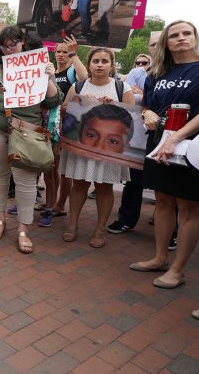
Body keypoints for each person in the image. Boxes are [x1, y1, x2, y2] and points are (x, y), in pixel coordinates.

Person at [128, 21, 199, 304]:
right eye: (174, 35)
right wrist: (146, 113)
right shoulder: (157, 73)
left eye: (187, 33)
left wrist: (176, 139)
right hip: (160, 143)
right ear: (166, 42)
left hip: (193, 147)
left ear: (195, 37)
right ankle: (160, 258)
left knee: (189, 207)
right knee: (162, 201)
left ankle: (178, 269)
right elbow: (148, 105)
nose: (181, 38)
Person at [0, 26, 61, 255]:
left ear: (23, 43)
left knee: (25, 180)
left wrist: (48, 76)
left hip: (27, 131)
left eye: (13, 44)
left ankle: (23, 229)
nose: (9, 49)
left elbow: (53, 101)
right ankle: (0, 218)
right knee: (0, 174)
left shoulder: (37, 64)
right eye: (4, 45)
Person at [59, 48, 134, 248]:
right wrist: (81, 103)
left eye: (104, 61)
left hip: (108, 148)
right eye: (96, 61)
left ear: (112, 65)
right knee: (79, 185)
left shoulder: (122, 88)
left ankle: (100, 229)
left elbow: (132, 117)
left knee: (104, 187)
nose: (100, 65)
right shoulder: (79, 85)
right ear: (89, 64)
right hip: (81, 144)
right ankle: (72, 225)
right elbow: (64, 108)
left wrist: (117, 105)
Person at [107, 35, 159, 236]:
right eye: (152, 44)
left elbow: (143, 97)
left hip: (169, 134)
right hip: (139, 132)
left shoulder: (176, 71)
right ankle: (127, 218)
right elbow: (131, 97)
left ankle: (169, 227)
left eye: (159, 42)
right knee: (134, 177)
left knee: (166, 182)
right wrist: (141, 96)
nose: (156, 47)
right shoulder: (139, 72)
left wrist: (142, 96)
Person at [44, 36, 88, 225]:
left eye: (65, 52)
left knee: (63, 168)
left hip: (67, 124)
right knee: (51, 165)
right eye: (59, 51)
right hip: (49, 124)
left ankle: (61, 204)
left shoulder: (72, 71)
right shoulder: (52, 70)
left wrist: (74, 53)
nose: (61, 55)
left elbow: (84, 78)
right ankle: (52, 201)